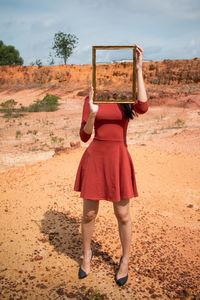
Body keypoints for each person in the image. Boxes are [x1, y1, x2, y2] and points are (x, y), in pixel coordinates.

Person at [73, 44, 148, 286]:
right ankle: (87, 255)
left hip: (118, 157)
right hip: (96, 156)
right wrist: (93, 113)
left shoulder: (125, 98)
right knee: (89, 213)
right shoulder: (91, 98)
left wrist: (138, 68)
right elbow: (84, 137)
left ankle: (125, 259)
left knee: (123, 214)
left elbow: (144, 107)